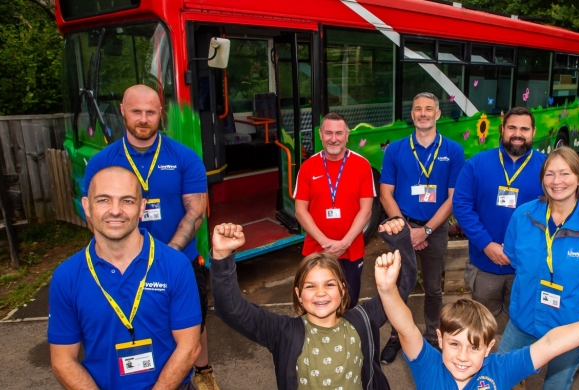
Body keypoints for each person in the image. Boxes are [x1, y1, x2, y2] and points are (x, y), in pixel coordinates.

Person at [82, 85, 216, 389]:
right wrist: (123, 255)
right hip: (120, 264)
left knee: (193, 323)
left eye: (150, 112)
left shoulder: (185, 158)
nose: (143, 119)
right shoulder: (101, 162)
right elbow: (93, 215)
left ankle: (204, 373)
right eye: (136, 111)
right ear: (122, 111)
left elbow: (195, 211)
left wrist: (165, 257)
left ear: (161, 115)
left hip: (179, 259)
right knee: (134, 321)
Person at [373, 242, 579, 390]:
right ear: (439, 339)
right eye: (454, 344)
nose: (462, 356)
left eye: (474, 348)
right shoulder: (427, 364)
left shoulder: (500, 370)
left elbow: (552, 343)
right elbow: (406, 327)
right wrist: (387, 289)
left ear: (489, 348)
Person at [209, 217, 416, 390]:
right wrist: (222, 257)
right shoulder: (283, 332)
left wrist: (399, 240)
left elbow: (403, 284)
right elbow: (232, 310)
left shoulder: (362, 320)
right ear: (298, 294)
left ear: (343, 289)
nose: (320, 293)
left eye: (329, 284)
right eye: (310, 287)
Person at [48, 166, 202, 390]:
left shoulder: (176, 266)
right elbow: (62, 361)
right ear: (86, 207)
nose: (116, 210)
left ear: (141, 208)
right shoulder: (66, 277)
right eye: (103, 200)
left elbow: (189, 348)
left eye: (127, 201)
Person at [499, 147, 579, 390]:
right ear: (542, 179)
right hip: (524, 318)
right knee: (502, 373)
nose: (557, 181)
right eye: (550, 174)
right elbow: (516, 260)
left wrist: (574, 300)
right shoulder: (522, 216)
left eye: (565, 174)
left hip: (572, 326)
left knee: (556, 385)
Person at [378, 92, 465, 363]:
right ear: (412, 114)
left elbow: (453, 198)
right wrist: (407, 231)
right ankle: (396, 336)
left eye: (429, 109)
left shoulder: (452, 151)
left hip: (434, 229)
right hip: (401, 228)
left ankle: (431, 336)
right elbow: (385, 194)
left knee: (433, 288)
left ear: (438, 114)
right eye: (418, 109)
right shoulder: (395, 149)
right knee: (398, 286)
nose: (423, 113)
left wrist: (425, 230)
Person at [453, 107, 546, 322]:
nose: (517, 134)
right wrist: (486, 244)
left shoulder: (548, 168)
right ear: (502, 129)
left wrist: (522, 249)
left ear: (533, 132)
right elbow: (462, 206)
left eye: (524, 128)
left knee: (523, 324)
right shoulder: (476, 164)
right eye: (512, 127)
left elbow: (558, 212)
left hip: (527, 266)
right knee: (482, 324)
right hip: (485, 264)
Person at [294, 113, 375, 309]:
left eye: (339, 133)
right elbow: (300, 211)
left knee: (349, 302)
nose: (333, 138)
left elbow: (366, 211)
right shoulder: (307, 167)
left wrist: (345, 243)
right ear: (320, 134)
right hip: (316, 250)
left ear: (347, 135)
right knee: (315, 304)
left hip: (351, 251)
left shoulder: (362, 166)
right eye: (328, 133)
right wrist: (324, 242)